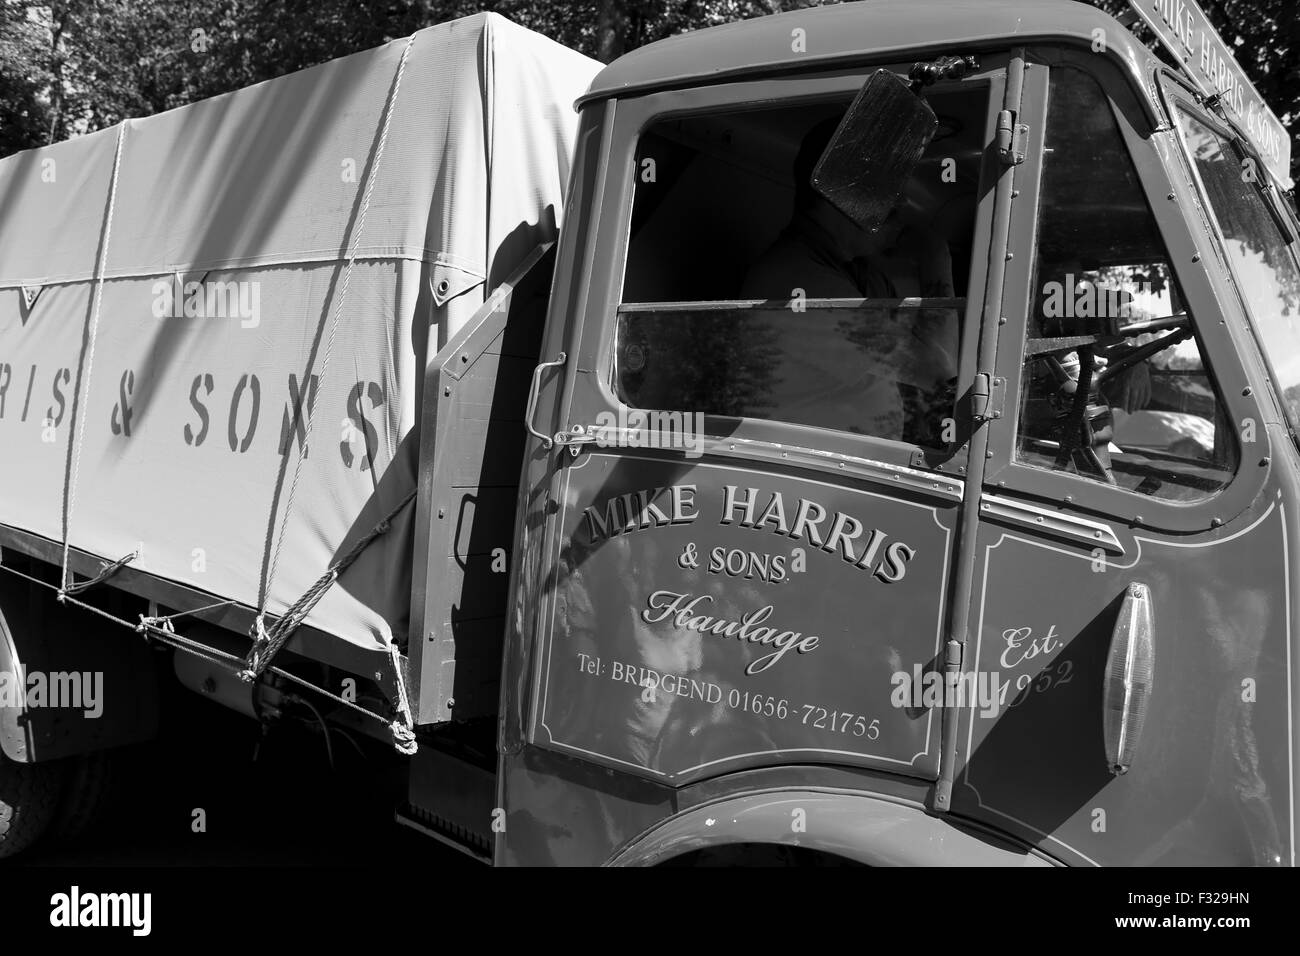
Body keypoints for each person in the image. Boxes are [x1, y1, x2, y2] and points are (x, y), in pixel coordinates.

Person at [741, 116, 959, 443]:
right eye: (889, 187)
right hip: (816, 473)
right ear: (840, 190)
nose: (900, 202)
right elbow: (937, 372)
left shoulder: (859, 271)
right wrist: (935, 258)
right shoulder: (797, 285)